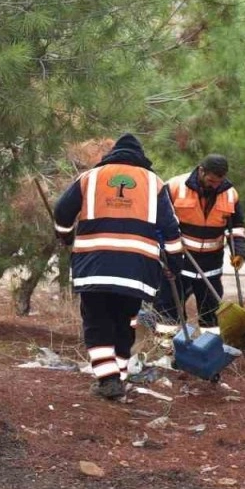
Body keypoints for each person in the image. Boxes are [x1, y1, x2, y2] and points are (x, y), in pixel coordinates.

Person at [53, 133, 185, 400]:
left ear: (112, 154)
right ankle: (118, 379)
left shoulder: (90, 178)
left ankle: (108, 378)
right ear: (141, 157)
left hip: (94, 266)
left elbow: (62, 212)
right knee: (125, 322)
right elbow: (171, 229)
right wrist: (174, 263)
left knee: (97, 321)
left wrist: (65, 235)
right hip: (137, 271)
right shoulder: (154, 182)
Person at [155, 155, 245, 335]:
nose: (214, 185)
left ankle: (209, 350)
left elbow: (236, 227)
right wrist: (163, 252)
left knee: (211, 312)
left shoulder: (230, 194)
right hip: (179, 261)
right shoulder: (174, 186)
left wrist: (240, 252)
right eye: (211, 181)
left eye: (218, 182)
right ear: (201, 170)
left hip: (210, 265)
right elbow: (159, 222)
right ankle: (166, 350)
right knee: (169, 308)